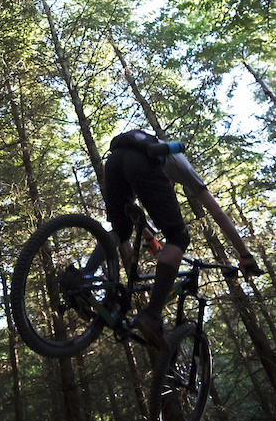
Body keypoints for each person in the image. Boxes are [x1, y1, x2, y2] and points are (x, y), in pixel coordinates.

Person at [102, 129, 262, 346]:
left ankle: (82, 277)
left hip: (113, 161)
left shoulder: (151, 156)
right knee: (178, 236)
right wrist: (245, 255)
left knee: (120, 231)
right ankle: (152, 314)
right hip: (135, 161)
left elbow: (135, 216)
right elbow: (218, 214)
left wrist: (150, 239)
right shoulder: (178, 164)